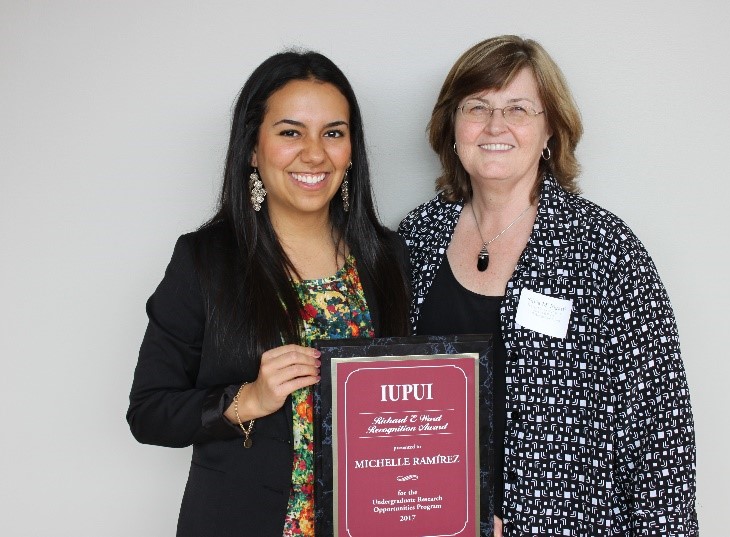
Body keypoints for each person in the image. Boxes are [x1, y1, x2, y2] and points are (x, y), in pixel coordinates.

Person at [398, 35, 697, 536]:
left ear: (550, 131)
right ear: (452, 127)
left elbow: (659, 438)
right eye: (478, 107)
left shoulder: (604, 250)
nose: (496, 126)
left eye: (519, 109)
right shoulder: (415, 239)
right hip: (434, 525)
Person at [127, 51, 409, 537]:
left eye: (333, 133)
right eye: (290, 132)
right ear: (253, 149)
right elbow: (149, 412)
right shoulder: (204, 260)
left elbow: (406, 410)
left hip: (367, 522)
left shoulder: (386, 256)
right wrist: (248, 400)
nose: (315, 153)